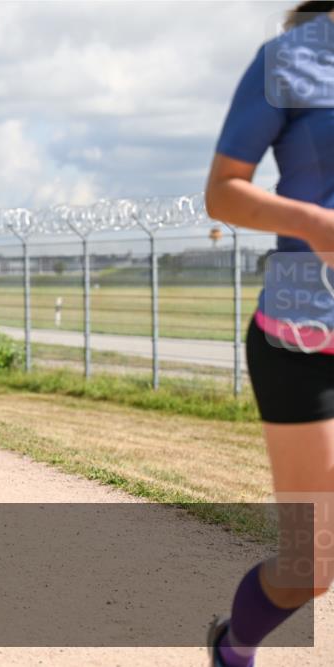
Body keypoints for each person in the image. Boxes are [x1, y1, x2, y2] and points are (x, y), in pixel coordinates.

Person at [203, 3, 334, 667]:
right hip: (306, 345)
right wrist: (316, 226)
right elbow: (223, 194)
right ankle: (234, 645)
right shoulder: (293, 59)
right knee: (312, 564)